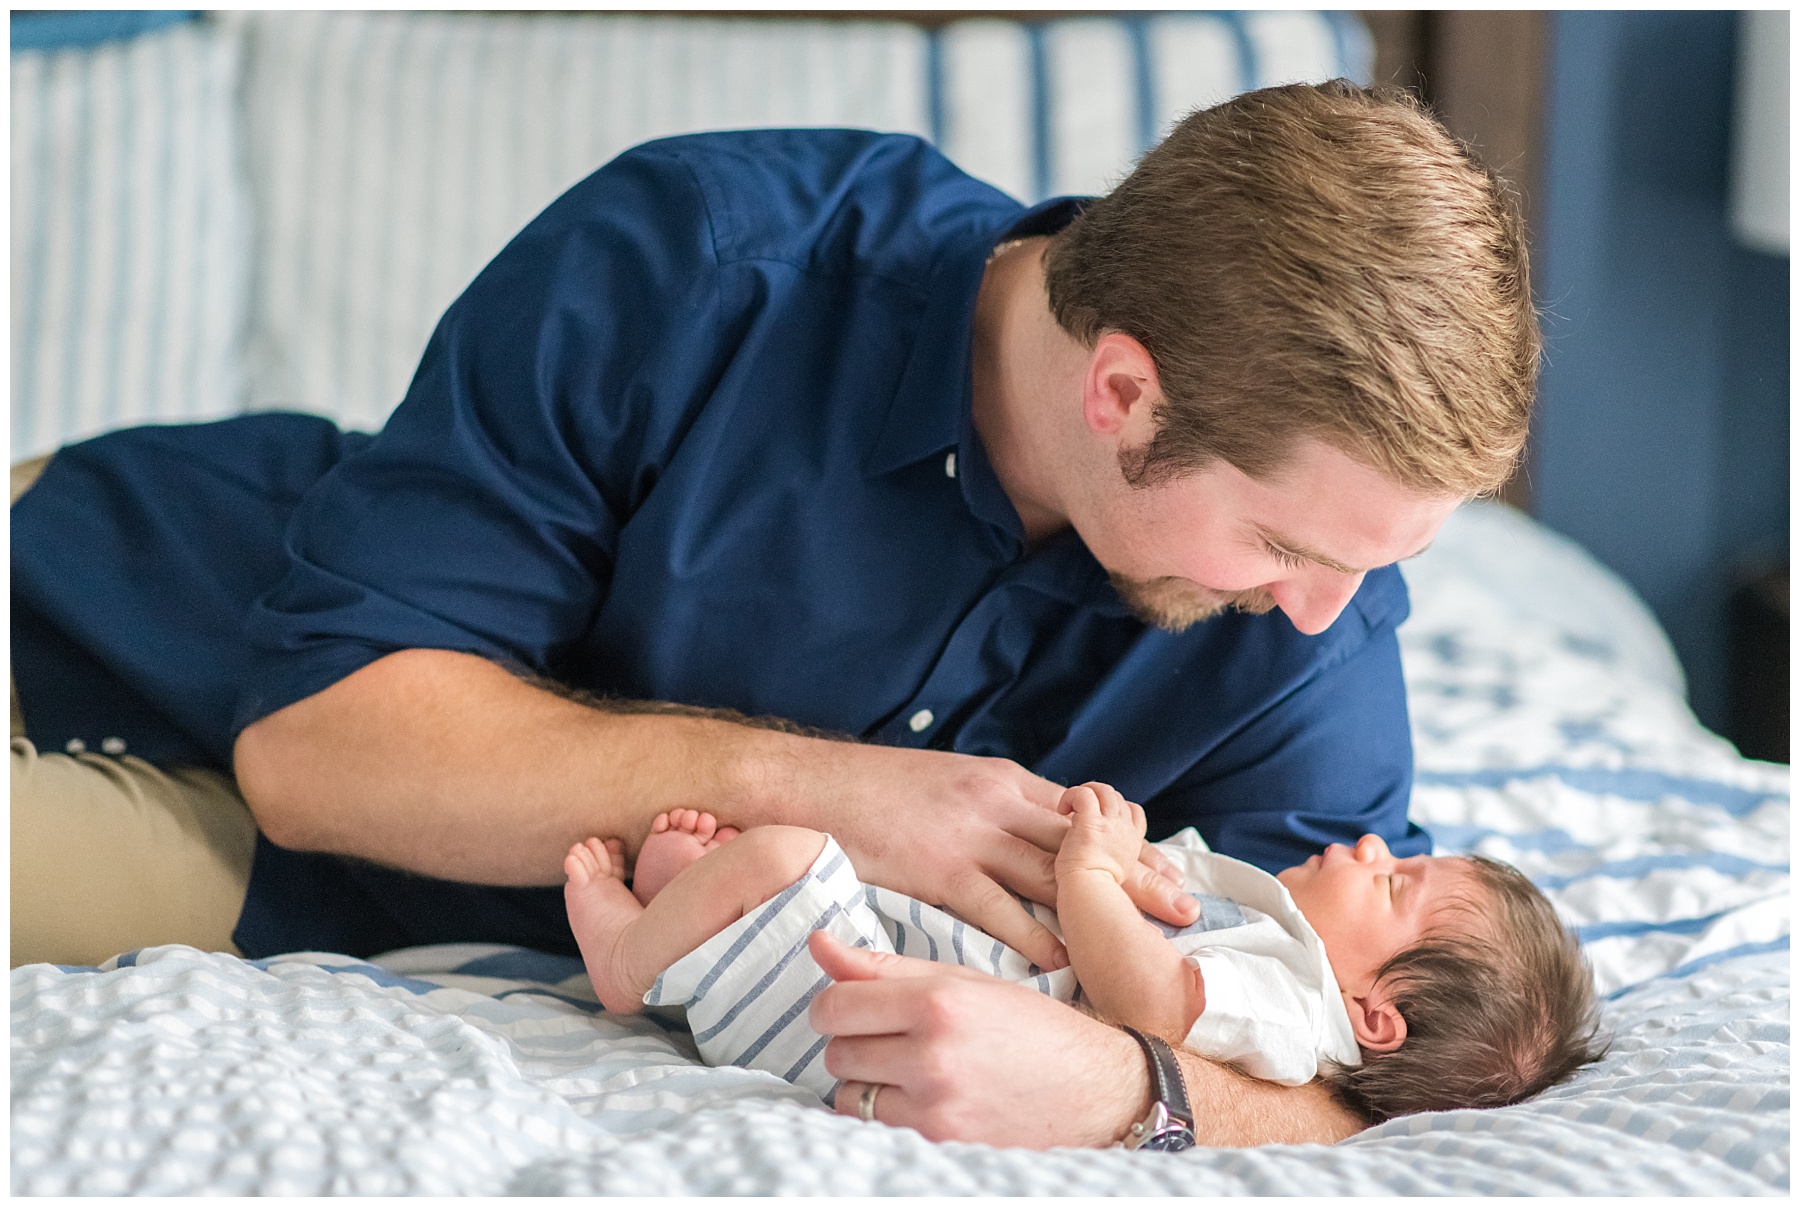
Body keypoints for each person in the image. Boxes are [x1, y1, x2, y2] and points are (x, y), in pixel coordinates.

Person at [10, 81, 1539, 1146]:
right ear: (1124, 391)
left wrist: (1121, 1090)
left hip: (314, 888)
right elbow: (320, 746)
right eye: (1283, 540)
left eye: (1374, 558)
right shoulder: (706, 257)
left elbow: (1357, 1073)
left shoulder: (1311, 637)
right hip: (131, 611)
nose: (1322, 607)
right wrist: (834, 793)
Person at [561, 785, 1603, 1132]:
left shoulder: (1293, 1007)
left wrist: (1094, 871)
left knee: (789, 859)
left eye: (1396, 884)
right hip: (918, 981)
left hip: (882, 1031)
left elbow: (1150, 995)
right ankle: (698, 916)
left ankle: (629, 958)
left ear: (1376, 1015)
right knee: (789, 875)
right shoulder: (1281, 952)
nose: (1376, 846)